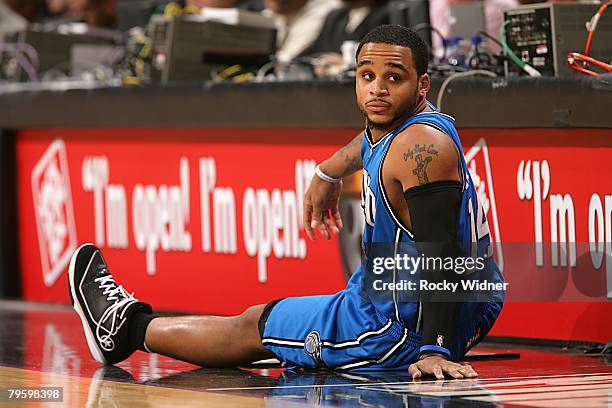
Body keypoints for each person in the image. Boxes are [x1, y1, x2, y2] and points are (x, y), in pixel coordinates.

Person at [69, 24, 503, 379]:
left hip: (398, 327)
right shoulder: (419, 126)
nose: (378, 89)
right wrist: (328, 170)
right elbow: (368, 146)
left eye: (394, 77)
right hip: (453, 301)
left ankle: (124, 329)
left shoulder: (418, 148)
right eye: (367, 76)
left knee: (254, 324)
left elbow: (443, 252)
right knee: (285, 334)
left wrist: (434, 350)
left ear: (422, 83)